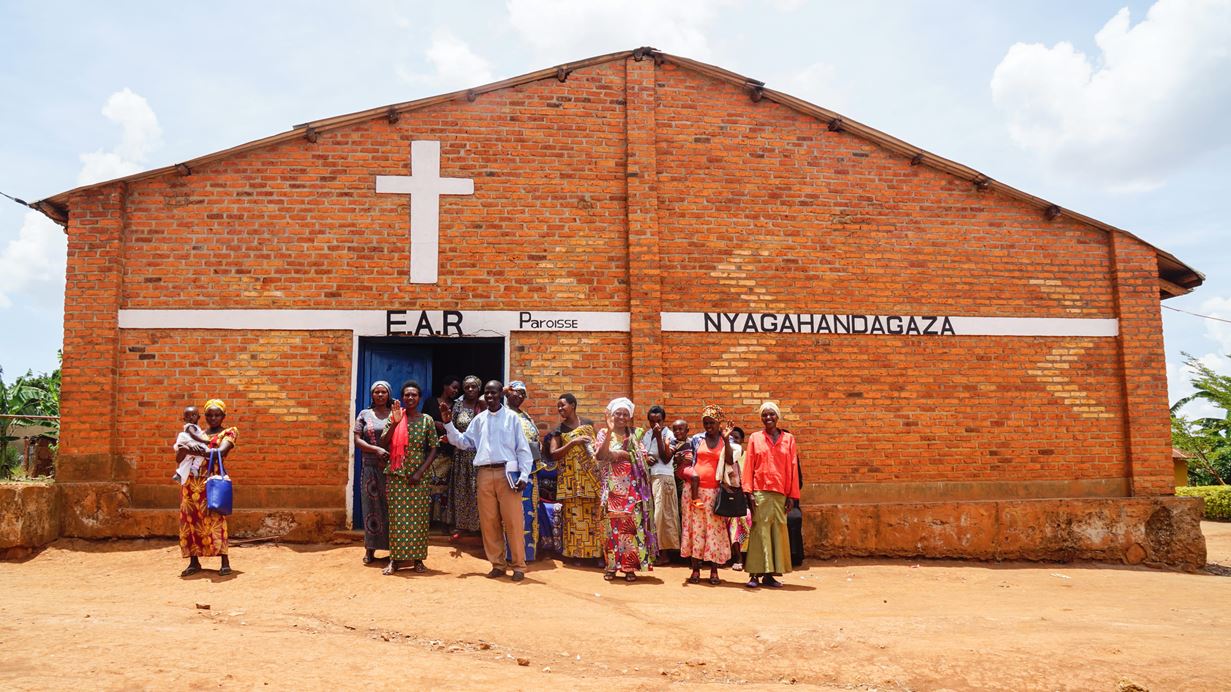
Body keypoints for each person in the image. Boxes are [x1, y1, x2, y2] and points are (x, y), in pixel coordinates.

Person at [441, 379, 534, 582]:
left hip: (507, 473)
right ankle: (498, 564)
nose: (490, 396)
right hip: (483, 474)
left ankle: (518, 565)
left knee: (513, 522)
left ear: (501, 394)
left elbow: (523, 450)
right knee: (489, 522)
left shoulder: (512, 418)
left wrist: (524, 475)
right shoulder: (480, 419)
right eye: (487, 393)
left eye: (494, 393)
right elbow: (464, 442)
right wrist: (448, 423)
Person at [380, 381, 440, 575]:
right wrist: (395, 423)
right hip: (397, 474)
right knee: (397, 519)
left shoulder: (427, 420)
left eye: (414, 395)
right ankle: (394, 560)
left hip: (419, 477)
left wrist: (420, 472)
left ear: (419, 398)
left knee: (419, 519)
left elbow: (433, 448)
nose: (410, 398)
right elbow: (384, 442)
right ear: (402, 398)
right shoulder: (395, 416)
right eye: (407, 395)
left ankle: (418, 560)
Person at [595, 398, 657, 582]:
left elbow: (644, 458)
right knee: (611, 531)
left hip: (632, 492)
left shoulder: (636, 434)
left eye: (625, 414)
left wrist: (622, 454)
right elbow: (600, 455)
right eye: (617, 414)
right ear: (611, 415)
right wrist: (609, 433)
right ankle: (611, 567)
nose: (621, 417)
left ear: (630, 417)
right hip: (611, 491)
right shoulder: (603, 433)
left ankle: (629, 567)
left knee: (630, 531)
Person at [742, 401, 801, 589]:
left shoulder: (788, 439)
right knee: (759, 532)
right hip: (759, 492)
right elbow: (749, 465)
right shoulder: (755, 438)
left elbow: (792, 467)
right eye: (764, 415)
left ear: (777, 417)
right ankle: (754, 574)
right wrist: (748, 492)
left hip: (780, 494)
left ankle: (770, 575)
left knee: (776, 534)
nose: (768, 418)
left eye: (771, 415)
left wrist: (792, 495)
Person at [176, 399, 237, 577]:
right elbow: (179, 458)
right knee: (190, 520)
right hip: (191, 484)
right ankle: (194, 561)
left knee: (217, 518)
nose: (213, 418)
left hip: (213, 481)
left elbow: (221, 451)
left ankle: (224, 560)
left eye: (217, 414)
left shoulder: (229, 432)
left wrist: (191, 449)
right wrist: (184, 447)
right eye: (209, 415)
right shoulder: (198, 434)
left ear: (224, 416)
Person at [680, 405, 737, 585]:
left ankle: (713, 570)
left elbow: (729, 460)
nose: (708, 427)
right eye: (706, 423)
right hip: (694, 492)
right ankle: (696, 569)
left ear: (719, 423)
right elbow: (689, 460)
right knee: (695, 530)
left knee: (714, 532)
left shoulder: (727, 440)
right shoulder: (697, 439)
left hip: (715, 493)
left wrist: (727, 440)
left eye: (712, 423)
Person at [548, 393, 603, 564]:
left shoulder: (587, 424)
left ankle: (596, 556)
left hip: (591, 479)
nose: (560, 409)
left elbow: (597, 448)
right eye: (558, 406)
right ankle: (575, 555)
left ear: (573, 405)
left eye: (562, 405)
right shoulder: (559, 430)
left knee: (593, 517)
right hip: (571, 481)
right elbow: (553, 454)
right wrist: (573, 442)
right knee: (574, 518)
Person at [353, 381, 393, 565]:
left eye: (383, 392)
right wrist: (375, 449)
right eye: (376, 392)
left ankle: (395, 550)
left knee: (392, 509)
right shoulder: (364, 414)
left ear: (388, 394)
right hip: (370, 468)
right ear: (372, 395)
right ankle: (370, 549)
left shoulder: (396, 414)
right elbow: (357, 440)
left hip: (392, 468)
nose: (379, 395)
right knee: (371, 508)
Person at [504, 381, 543, 562]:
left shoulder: (525, 415)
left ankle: (527, 553)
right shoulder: (503, 413)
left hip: (531, 470)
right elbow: (482, 400)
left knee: (529, 512)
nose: (519, 396)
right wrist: (505, 391)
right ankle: (510, 554)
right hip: (512, 470)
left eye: (522, 394)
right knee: (512, 513)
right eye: (515, 393)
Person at [446, 375, 485, 537]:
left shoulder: (484, 405)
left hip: (479, 454)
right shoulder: (458, 406)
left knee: (478, 490)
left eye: (473, 387)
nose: (470, 390)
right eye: (467, 387)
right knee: (462, 489)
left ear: (479, 389)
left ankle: (478, 526)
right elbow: (451, 426)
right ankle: (461, 524)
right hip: (461, 454)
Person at [642, 405, 679, 566]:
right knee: (652, 515)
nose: (655, 424)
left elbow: (665, 458)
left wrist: (658, 437)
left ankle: (665, 554)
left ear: (663, 420)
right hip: (650, 478)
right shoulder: (647, 435)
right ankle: (654, 552)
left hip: (664, 477)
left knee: (663, 516)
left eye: (658, 421)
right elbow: (642, 454)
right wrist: (646, 459)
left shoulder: (668, 434)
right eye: (652, 421)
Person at [425, 375, 461, 525]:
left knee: (444, 488)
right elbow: (423, 418)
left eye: (457, 389)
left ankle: (442, 522)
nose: (456, 391)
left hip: (448, 452)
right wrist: (436, 423)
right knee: (429, 487)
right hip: (431, 450)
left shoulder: (457, 406)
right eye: (454, 387)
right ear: (445, 386)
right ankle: (427, 521)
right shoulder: (431, 402)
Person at [725, 426, 752, 572]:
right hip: (729, 500)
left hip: (746, 500)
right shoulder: (726, 457)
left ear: (742, 440)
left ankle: (749, 557)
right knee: (734, 520)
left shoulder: (747, 456)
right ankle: (738, 558)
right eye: (730, 438)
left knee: (745, 517)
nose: (733, 441)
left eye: (736, 438)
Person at [172, 406, 210, 485]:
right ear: (184, 419)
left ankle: (180, 474)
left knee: (188, 461)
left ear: (198, 417)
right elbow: (193, 436)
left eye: (193, 415)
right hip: (191, 443)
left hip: (193, 446)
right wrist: (203, 441)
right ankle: (194, 468)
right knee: (203, 452)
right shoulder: (190, 426)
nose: (190, 418)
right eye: (187, 416)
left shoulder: (197, 427)